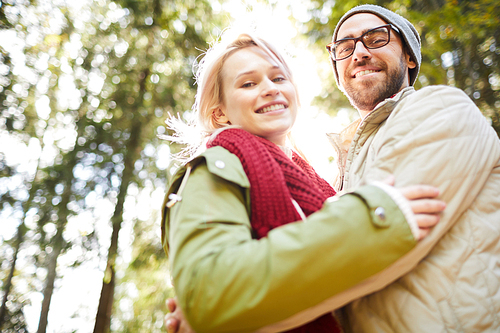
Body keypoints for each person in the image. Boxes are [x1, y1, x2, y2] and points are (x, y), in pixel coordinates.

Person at [160, 30, 446, 333]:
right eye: (248, 83)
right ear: (220, 115)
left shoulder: (320, 185)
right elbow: (210, 292)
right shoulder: (215, 167)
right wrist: (373, 219)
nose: (270, 89)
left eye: (279, 78)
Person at [324, 4, 500, 332]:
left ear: (409, 56)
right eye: (345, 47)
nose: (359, 52)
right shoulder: (339, 173)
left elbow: (365, 244)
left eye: (376, 38)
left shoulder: (442, 109)